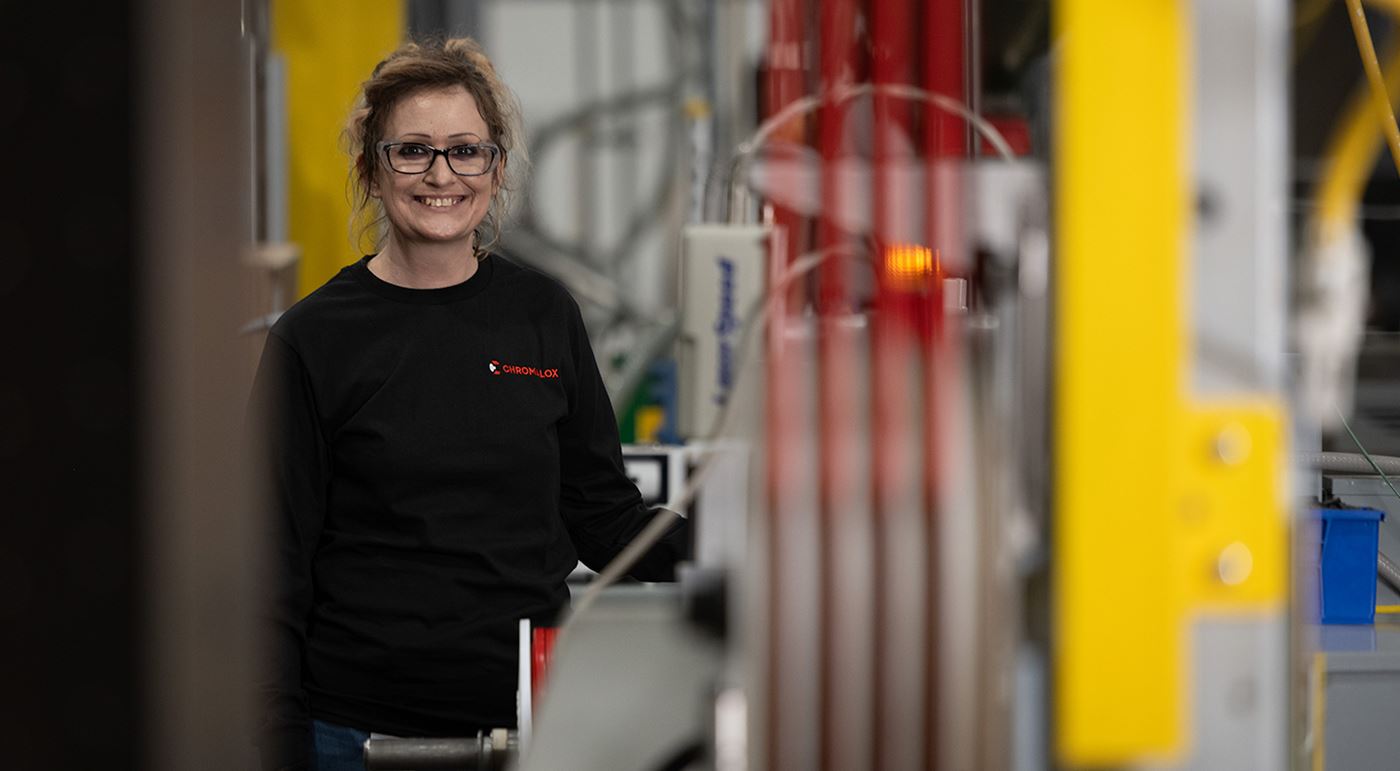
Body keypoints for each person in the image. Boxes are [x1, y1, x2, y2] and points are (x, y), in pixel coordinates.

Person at [252, 37, 689, 771]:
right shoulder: (313, 339)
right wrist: (277, 740)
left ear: (495, 167)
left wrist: (738, 544)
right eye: (412, 150)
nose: (441, 174)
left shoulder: (542, 314)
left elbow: (606, 521)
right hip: (352, 735)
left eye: (465, 151)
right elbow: (273, 568)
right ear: (371, 165)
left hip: (526, 725)